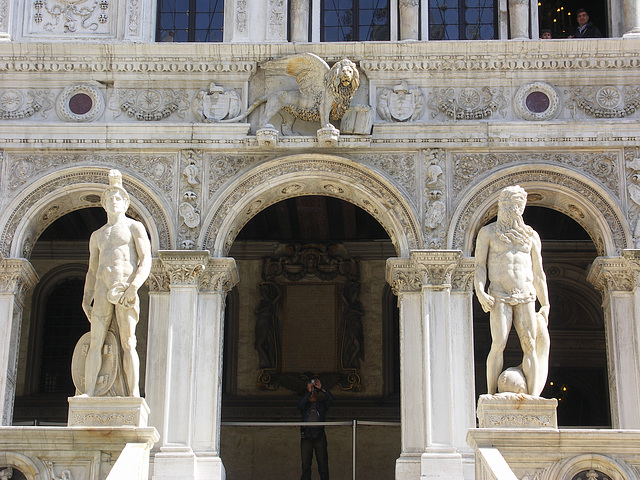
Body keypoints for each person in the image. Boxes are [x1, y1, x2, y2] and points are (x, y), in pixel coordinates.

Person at [81, 170, 152, 397]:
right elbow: (92, 270)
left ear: (125, 203)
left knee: (128, 342)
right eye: (109, 199)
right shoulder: (98, 235)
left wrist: (134, 287)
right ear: (103, 205)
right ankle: (89, 392)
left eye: (118, 199)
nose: (113, 202)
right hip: (102, 290)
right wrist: (86, 298)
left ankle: (133, 394)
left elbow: (146, 259)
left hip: (124, 289)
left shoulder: (134, 227)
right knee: (95, 342)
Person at [474, 186, 550, 397]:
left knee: (530, 345)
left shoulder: (531, 236)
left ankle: (533, 397)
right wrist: (480, 290)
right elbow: (479, 265)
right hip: (499, 294)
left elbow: (538, 272)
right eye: (507, 205)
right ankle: (490, 395)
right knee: (498, 343)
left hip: (526, 294)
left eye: (516, 206)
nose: (511, 209)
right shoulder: (488, 233)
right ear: (500, 206)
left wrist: (545, 303)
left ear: (522, 208)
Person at [298, 378, 334, 480]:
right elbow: (300, 405)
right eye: (311, 394)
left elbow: (330, 398)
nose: (313, 395)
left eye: (314, 393)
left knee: (323, 465)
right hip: (306, 436)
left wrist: (321, 388)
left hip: (319, 436)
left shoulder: (322, 406)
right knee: (306, 466)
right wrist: (308, 393)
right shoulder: (305, 407)